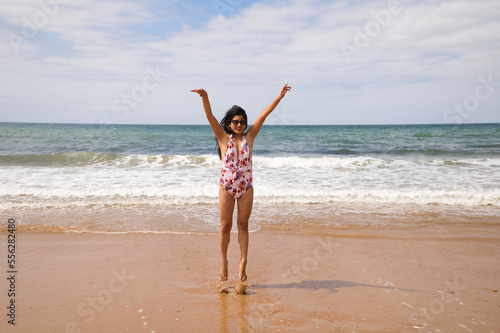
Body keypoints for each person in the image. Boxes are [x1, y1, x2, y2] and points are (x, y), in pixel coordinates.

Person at [191, 84, 291, 282]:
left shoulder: (250, 136)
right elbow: (210, 116)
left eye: (242, 122)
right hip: (226, 187)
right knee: (224, 226)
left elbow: (264, 114)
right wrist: (205, 97)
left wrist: (279, 97)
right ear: (229, 123)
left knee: (243, 225)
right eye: (235, 121)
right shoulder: (222, 137)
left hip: (246, 187)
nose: (239, 125)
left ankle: (243, 263)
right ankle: (223, 262)